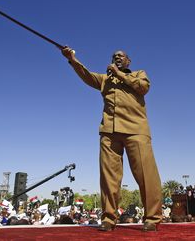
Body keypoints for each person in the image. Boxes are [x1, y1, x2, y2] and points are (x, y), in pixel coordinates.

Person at [61, 47, 162, 231]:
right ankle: (108, 218)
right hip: (109, 131)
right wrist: (72, 59)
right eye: (114, 56)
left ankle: (152, 218)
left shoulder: (139, 74)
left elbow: (143, 88)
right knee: (109, 177)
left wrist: (119, 74)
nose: (117, 58)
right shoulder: (104, 80)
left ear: (128, 61)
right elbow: (87, 75)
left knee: (146, 174)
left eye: (121, 56)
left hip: (136, 130)